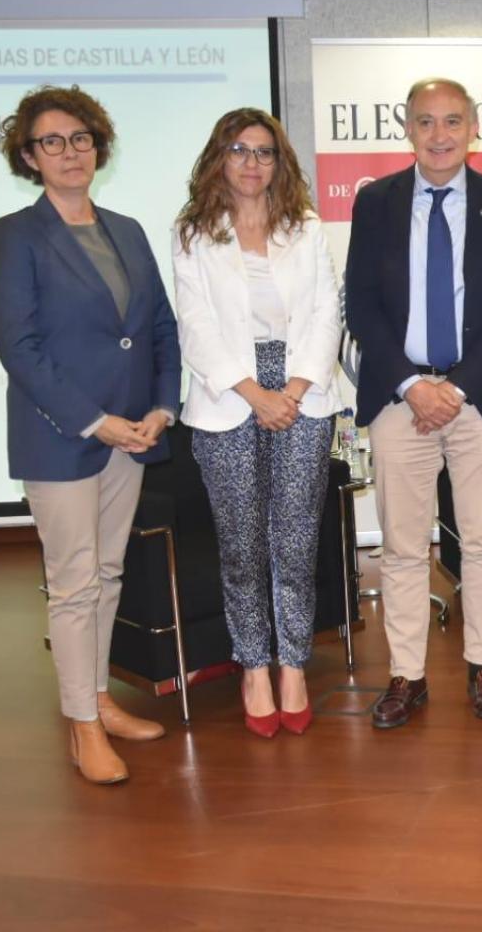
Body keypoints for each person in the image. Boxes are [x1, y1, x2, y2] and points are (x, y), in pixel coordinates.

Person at [0, 85, 180, 784]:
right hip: (62, 435)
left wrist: (161, 407)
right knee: (72, 586)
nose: (70, 152)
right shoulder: (16, 236)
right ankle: (82, 726)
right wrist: (97, 420)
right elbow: (19, 347)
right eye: (52, 142)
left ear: (98, 145)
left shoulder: (126, 228)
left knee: (107, 573)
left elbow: (158, 326)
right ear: (29, 157)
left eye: (81, 138)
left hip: (133, 431)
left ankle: (97, 697)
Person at [344, 78, 482, 727]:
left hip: (478, 398)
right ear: (407, 128)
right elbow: (362, 308)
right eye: (426, 122)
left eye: (452, 121)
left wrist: (453, 390)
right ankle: (408, 675)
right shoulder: (375, 204)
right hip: (401, 398)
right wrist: (411, 387)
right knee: (402, 546)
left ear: (474, 128)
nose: (440, 134)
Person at [172, 108, 342, 738]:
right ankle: (253, 666)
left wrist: (291, 390)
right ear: (220, 157)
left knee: (296, 540)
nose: (252, 162)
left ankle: (293, 662)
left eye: (264, 152)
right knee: (243, 545)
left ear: (280, 162)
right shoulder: (193, 233)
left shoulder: (306, 229)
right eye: (239, 150)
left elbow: (327, 313)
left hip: (302, 390)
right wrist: (254, 394)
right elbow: (197, 326)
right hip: (227, 398)